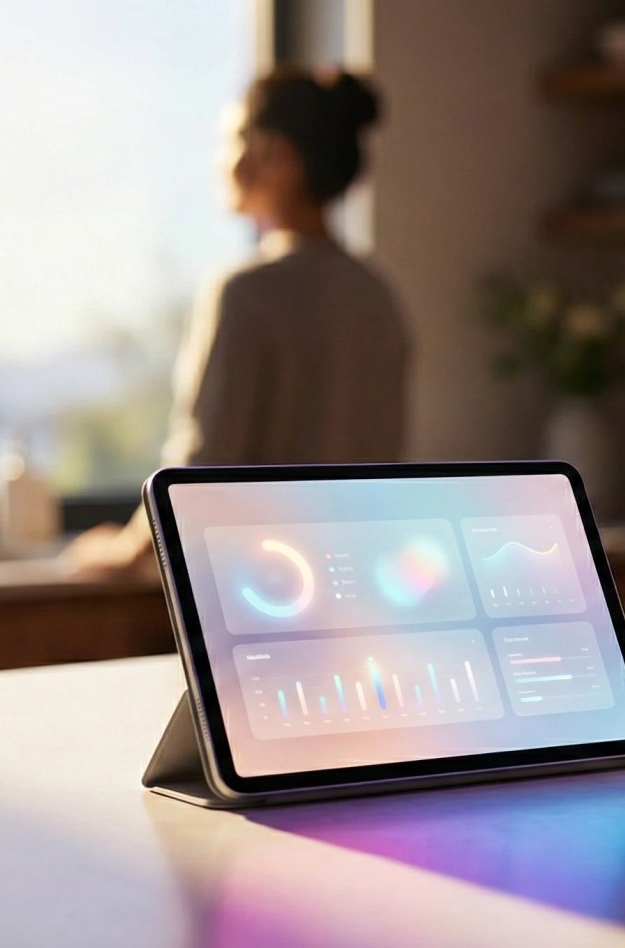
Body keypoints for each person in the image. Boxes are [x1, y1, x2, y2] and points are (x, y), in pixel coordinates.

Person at [63, 67, 409, 576]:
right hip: (358, 583)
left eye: (231, 140)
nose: (219, 160)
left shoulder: (245, 291)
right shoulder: (378, 296)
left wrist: (121, 551)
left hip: (261, 590)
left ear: (275, 156)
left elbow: (199, 467)